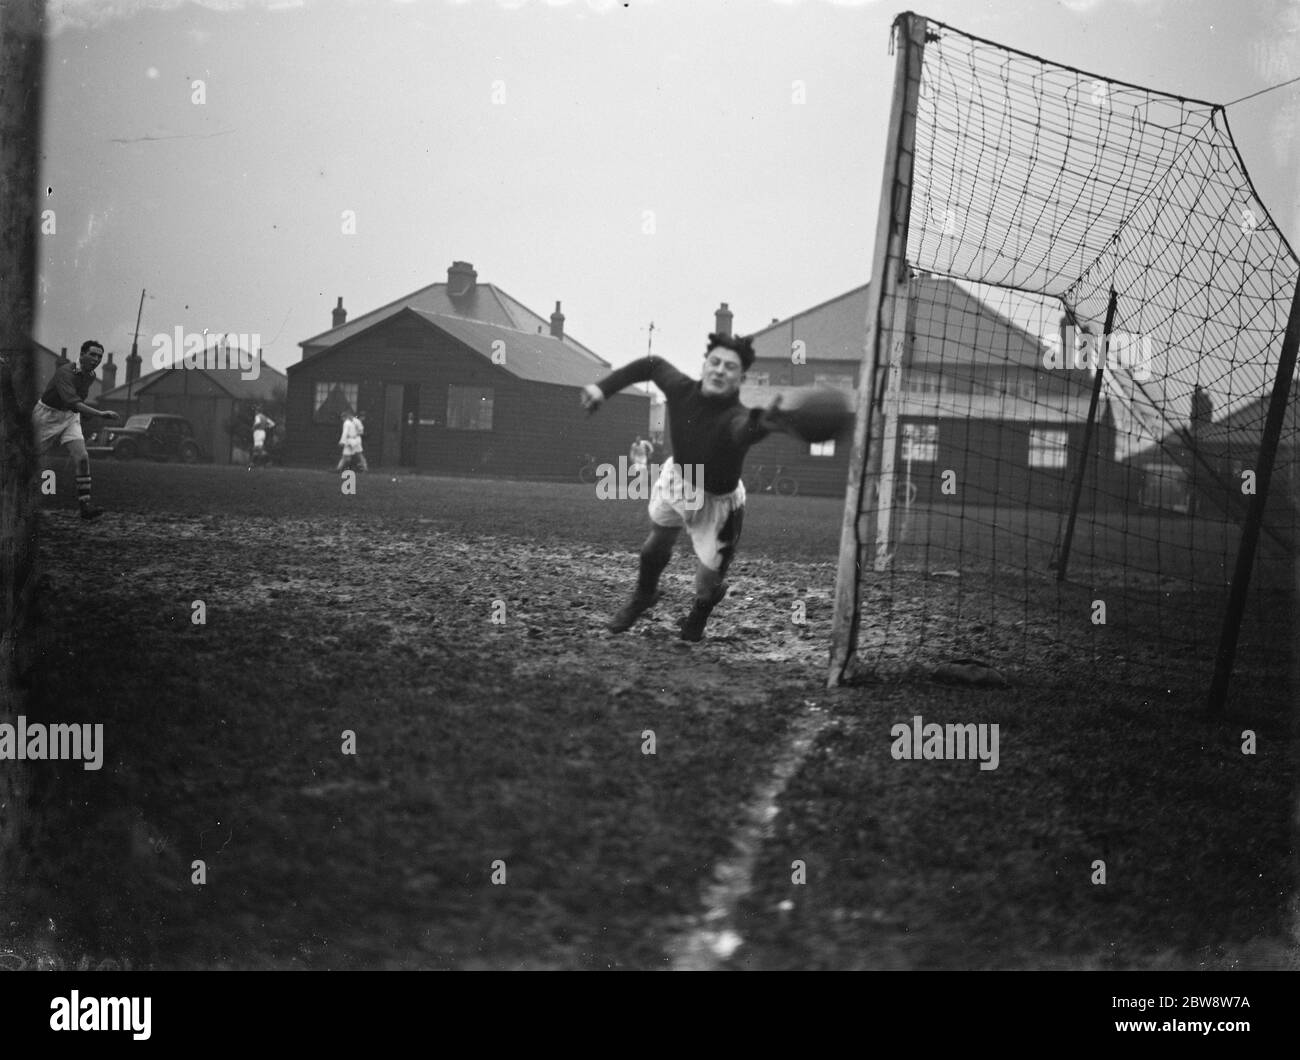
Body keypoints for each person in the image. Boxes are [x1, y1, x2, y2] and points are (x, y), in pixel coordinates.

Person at [581, 332, 788, 642]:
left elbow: (742, 430)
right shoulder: (680, 390)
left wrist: (761, 425)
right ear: (704, 365)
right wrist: (602, 388)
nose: (719, 370)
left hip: (717, 504)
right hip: (679, 479)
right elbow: (652, 365)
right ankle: (644, 595)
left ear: (741, 377)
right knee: (654, 545)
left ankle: (701, 610)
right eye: (714, 362)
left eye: (729, 367)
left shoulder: (736, 416)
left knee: (706, 583)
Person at [33, 340, 119, 520]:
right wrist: (100, 414)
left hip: (70, 417)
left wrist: (85, 413)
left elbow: (77, 403)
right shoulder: (65, 372)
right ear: (81, 355)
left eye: (99, 356)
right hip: (46, 417)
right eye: (92, 355)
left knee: (82, 457)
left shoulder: (91, 375)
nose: (96, 359)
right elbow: (75, 403)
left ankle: (85, 506)